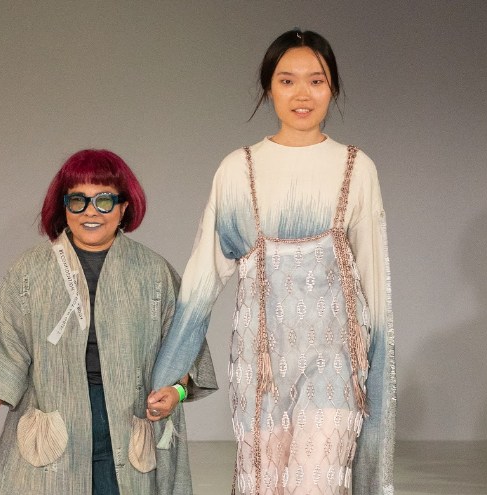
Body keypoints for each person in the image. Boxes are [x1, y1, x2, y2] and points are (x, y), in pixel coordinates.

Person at [149, 30, 396, 494]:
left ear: (333, 88)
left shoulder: (356, 167)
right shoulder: (238, 169)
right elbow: (203, 277)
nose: (302, 94)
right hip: (260, 369)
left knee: (318, 483)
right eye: (287, 80)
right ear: (268, 88)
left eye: (316, 81)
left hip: (336, 363)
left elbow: (373, 282)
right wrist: (169, 374)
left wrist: (378, 376)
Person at [0, 149, 217, 495]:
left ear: (124, 207)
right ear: (64, 207)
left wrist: (177, 391)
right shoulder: (29, 272)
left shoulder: (154, 273)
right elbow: (6, 357)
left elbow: (185, 353)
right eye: (78, 200)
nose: (90, 211)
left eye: (104, 200)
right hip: (51, 427)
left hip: (128, 426)